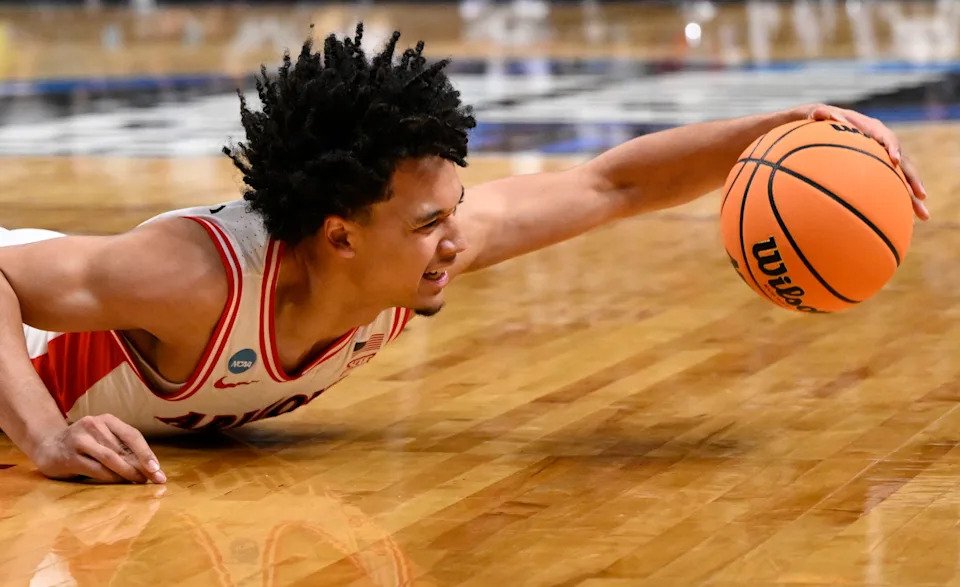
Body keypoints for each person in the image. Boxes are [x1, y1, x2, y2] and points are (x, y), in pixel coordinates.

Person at [0, 25, 929, 485]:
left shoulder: (413, 252)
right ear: (339, 234)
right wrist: (44, 435)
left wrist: (777, 127)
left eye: (454, 208)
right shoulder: (200, 277)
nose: (458, 236)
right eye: (428, 222)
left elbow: (612, 184)